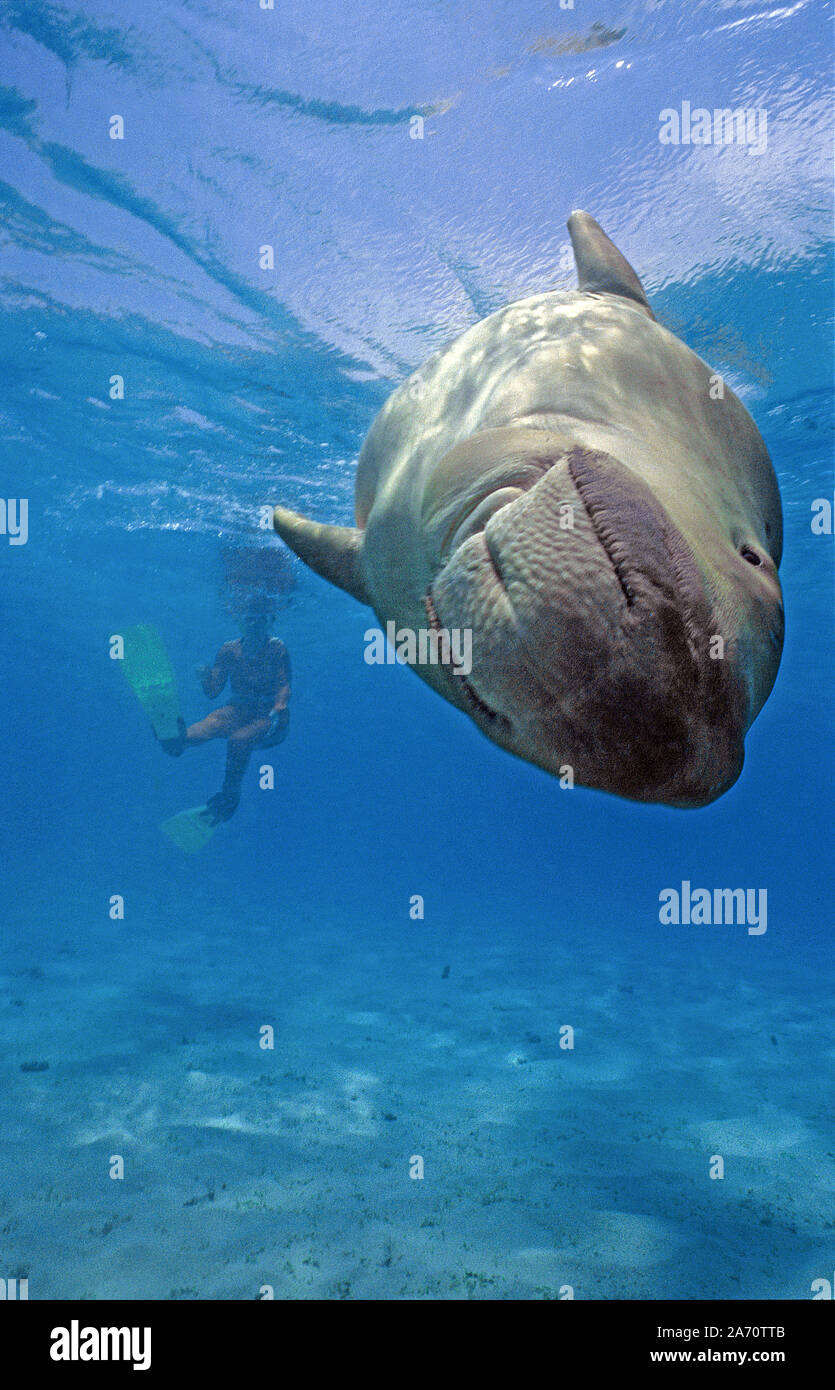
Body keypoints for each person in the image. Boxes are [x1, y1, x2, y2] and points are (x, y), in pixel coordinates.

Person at [159, 597, 290, 824]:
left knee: (238, 740)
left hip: (268, 715)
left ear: (270, 622)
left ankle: (230, 796)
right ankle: (178, 740)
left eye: (261, 620)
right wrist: (205, 678)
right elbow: (212, 691)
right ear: (240, 622)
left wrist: (280, 706)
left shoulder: (277, 648)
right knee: (212, 722)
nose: (255, 625)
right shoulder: (229, 650)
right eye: (250, 620)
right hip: (238, 708)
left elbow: (283, 684)